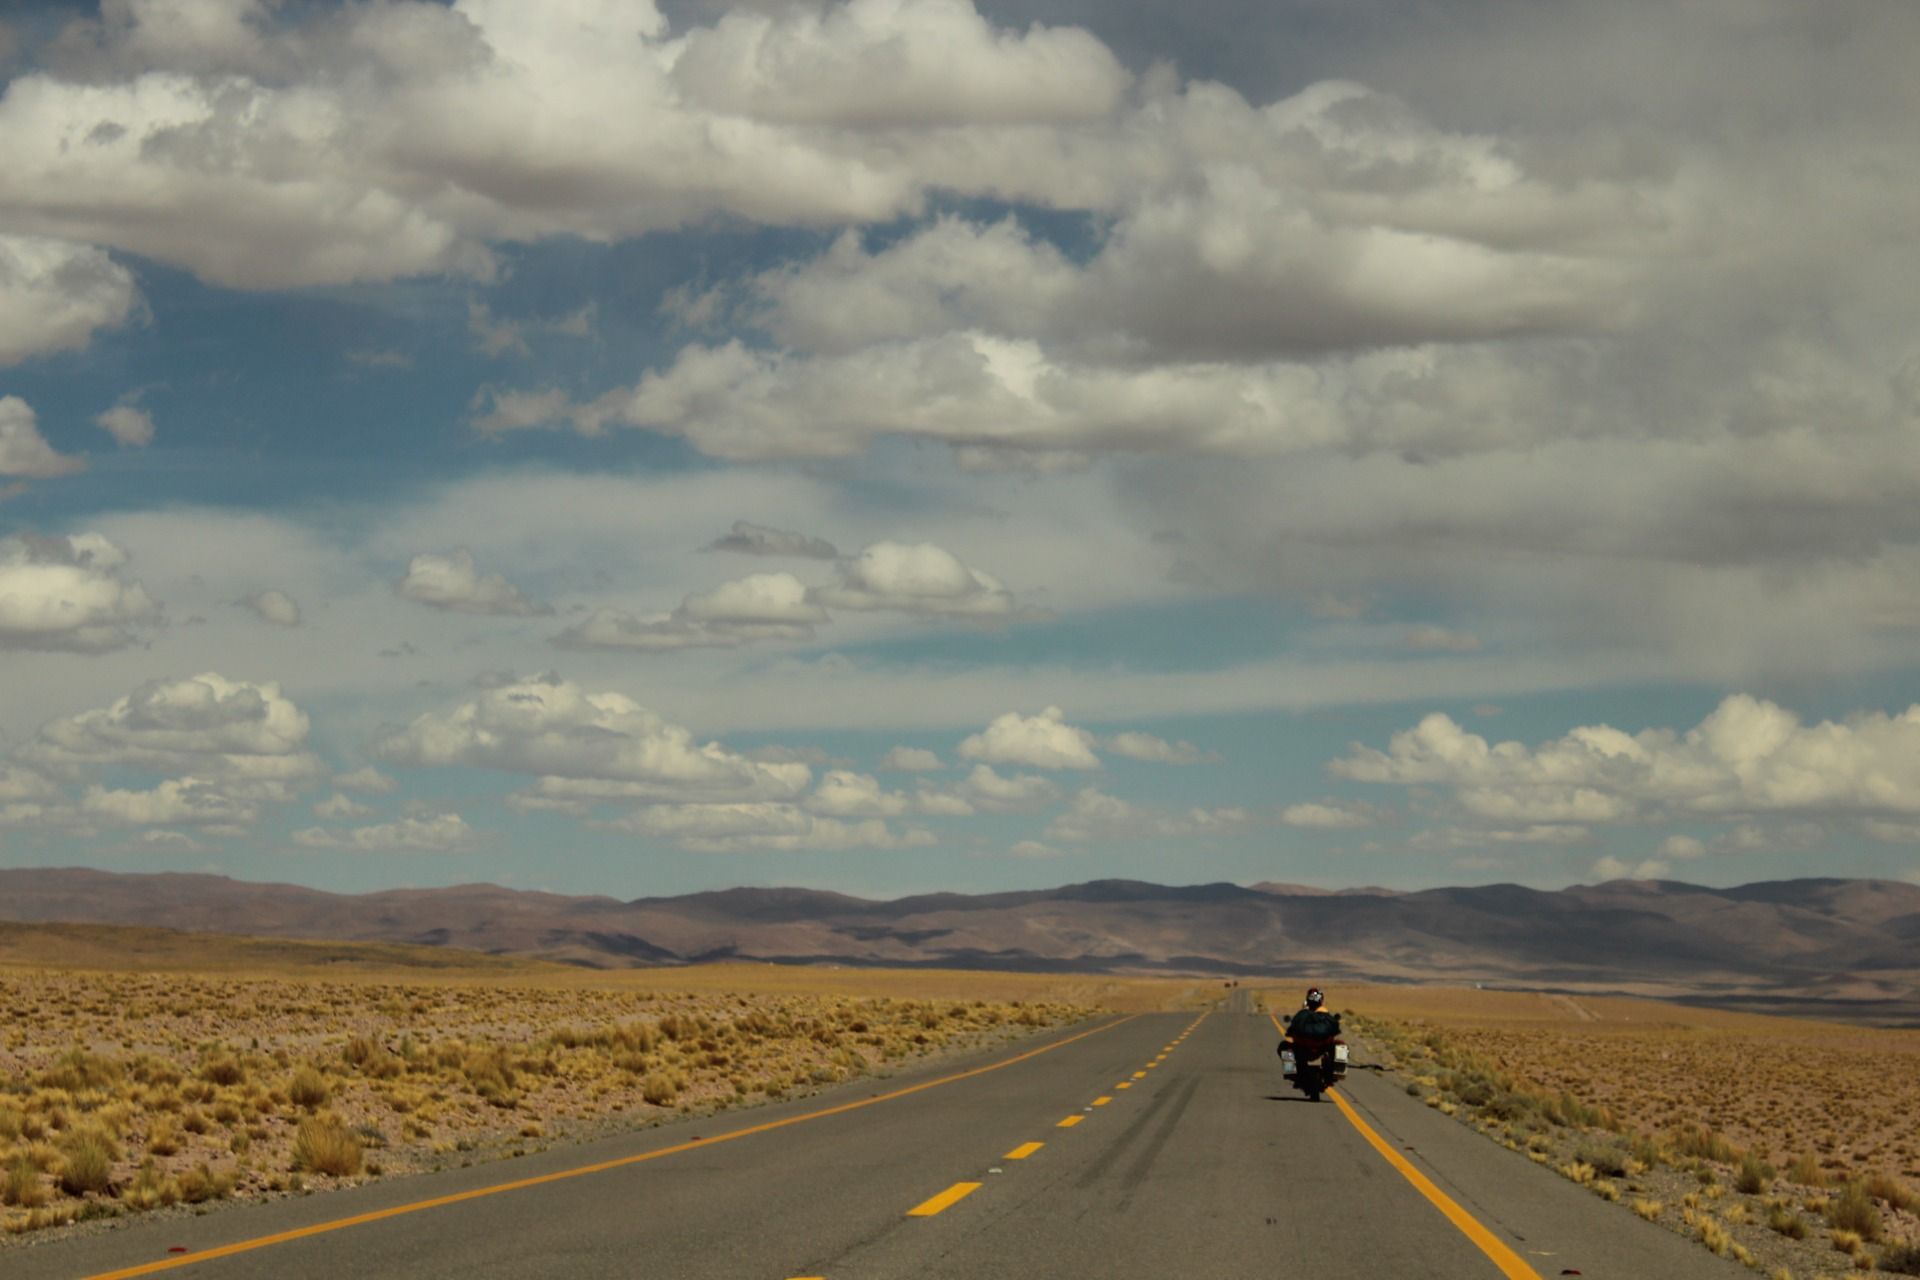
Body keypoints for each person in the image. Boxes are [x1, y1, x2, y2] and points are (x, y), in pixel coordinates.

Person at [1282, 987, 1342, 1077]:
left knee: (1285, 1047)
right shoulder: (1326, 1016)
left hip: (1303, 1047)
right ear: (1321, 1000)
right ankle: (1338, 1071)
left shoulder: (1302, 1015)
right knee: (1340, 1046)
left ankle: (1290, 1070)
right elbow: (1335, 1029)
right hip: (1321, 1047)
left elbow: (1291, 1029)